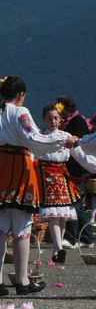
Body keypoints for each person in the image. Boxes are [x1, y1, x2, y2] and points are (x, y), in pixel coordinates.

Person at [0, 76, 73, 296]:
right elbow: (34, 139)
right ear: (21, 95)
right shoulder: (21, 112)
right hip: (18, 168)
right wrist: (63, 140)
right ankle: (21, 281)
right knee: (22, 226)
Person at [36, 104, 96, 263]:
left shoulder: (66, 136)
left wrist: (94, 166)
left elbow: (82, 156)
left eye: (56, 118)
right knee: (54, 214)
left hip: (62, 176)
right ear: (44, 119)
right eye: (49, 119)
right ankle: (59, 248)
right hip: (45, 175)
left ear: (60, 119)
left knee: (62, 216)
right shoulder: (39, 135)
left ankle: (56, 251)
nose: (53, 121)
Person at [58, 95, 94, 249]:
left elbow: (80, 146)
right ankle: (85, 237)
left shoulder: (77, 121)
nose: (60, 111)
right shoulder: (66, 123)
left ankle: (73, 237)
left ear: (69, 108)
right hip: (70, 166)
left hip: (77, 167)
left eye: (61, 108)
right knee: (74, 202)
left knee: (74, 202)